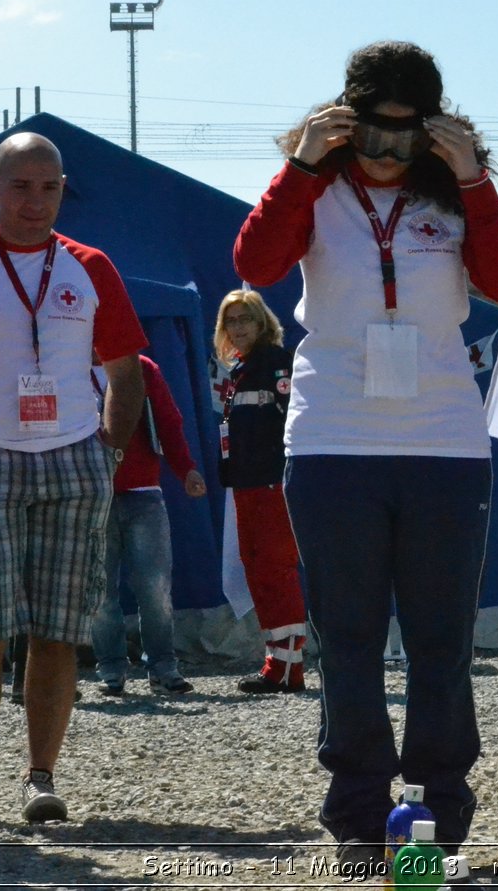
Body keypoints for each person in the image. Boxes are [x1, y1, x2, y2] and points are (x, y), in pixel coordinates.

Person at [233, 41, 498, 872]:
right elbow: (254, 264)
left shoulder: (456, 193)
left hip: (443, 444)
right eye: (372, 135)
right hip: (333, 441)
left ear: (433, 134)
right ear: (343, 121)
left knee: (441, 641)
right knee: (351, 636)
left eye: (407, 139)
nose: (387, 155)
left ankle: (437, 815)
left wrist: (473, 178)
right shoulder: (318, 187)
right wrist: (301, 166)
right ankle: (361, 816)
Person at [0, 132, 146, 824]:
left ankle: (41, 776)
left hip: (74, 458)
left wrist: (107, 451)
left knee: (58, 632)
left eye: (48, 187)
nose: (35, 200)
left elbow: (125, 371)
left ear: (62, 189)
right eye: (20, 185)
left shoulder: (91, 266)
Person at [90, 352, 207, 696]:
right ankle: (111, 671)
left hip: (143, 493)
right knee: (100, 591)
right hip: (91, 496)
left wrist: (185, 468)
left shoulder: (141, 368)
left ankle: (162, 667)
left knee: (155, 589)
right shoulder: (64, 364)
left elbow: (169, 422)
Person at [212, 288, 309, 694]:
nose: (238, 328)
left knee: (274, 570)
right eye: (230, 321)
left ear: (262, 322)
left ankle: (289, 667)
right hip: (246, 486)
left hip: (272, 486)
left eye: (245, 319)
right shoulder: (239, 370)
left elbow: (292, 426)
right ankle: (276, 663)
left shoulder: (275, 364)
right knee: (257, 570)